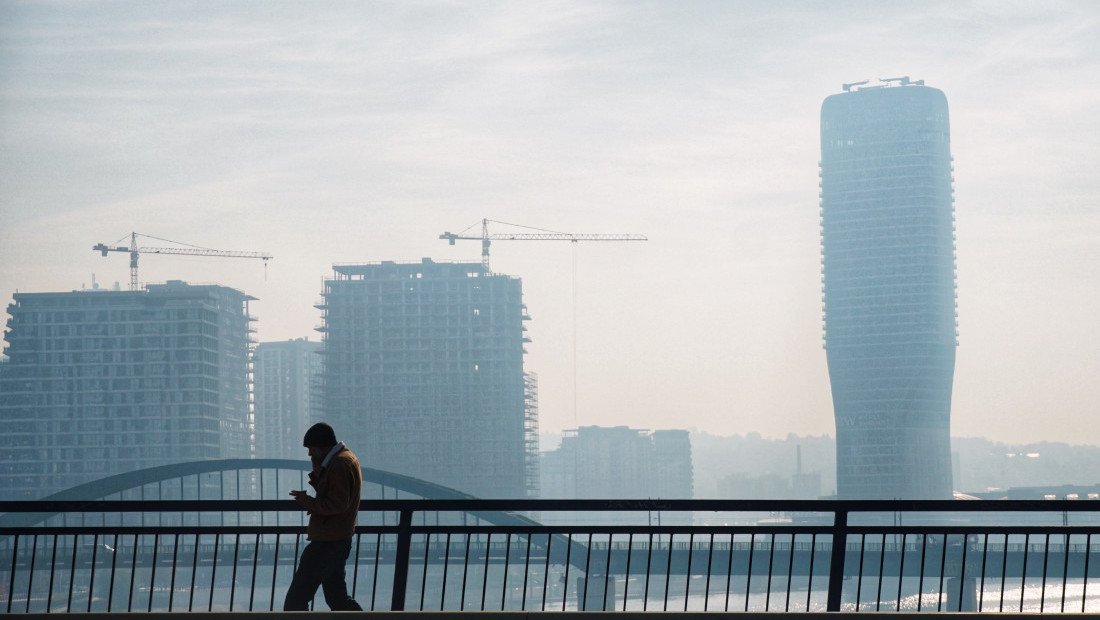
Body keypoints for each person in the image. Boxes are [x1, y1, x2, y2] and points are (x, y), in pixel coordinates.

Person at [283, 422, 364, 611]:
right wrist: (318, 475)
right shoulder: (342, 460)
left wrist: (307, 501)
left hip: (327, 542)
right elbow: (334, 496)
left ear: (322, 445)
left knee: (296, 599)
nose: (309, 453)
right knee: (337, 599)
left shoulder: (340, 464)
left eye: (311, 448)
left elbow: (336, 504)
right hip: (337, 538)